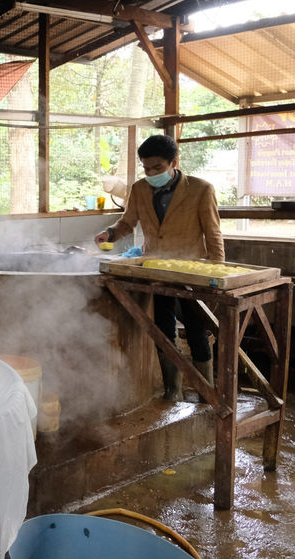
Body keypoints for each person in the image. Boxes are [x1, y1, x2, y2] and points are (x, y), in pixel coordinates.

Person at [94, 134, 225, 401]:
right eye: (146, 168)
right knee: (162, 330)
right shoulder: (140, 189)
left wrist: (217, 273)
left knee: (197, 331)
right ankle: (172, 390)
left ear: (174, 162)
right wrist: (108, 234)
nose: (151, 173)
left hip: (192, 271)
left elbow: (213, 234)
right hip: (154, 270)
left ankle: (205, 392)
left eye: (157, 167)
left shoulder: (201, 189)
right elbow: (127, 223)